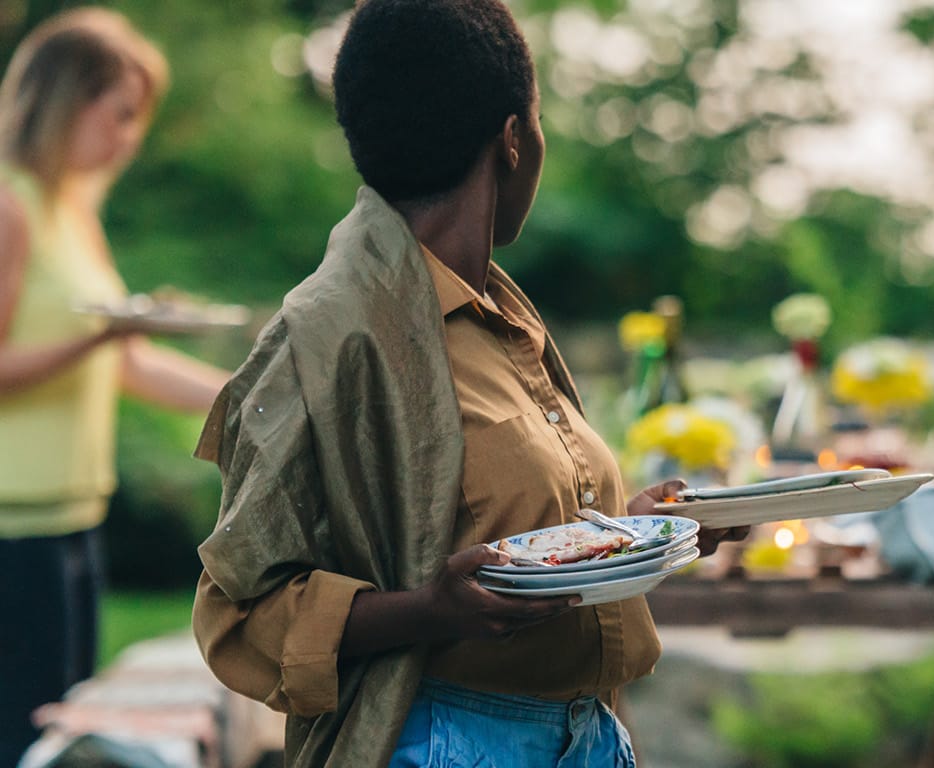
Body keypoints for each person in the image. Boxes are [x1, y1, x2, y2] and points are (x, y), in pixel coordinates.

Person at [189, 0, 749, 765]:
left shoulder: (498, 317)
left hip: (582, 736)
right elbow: (238, 610)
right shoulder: (329, 337)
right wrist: (428, 612)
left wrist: (637, 530)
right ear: (514, 140)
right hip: (442, 742)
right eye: (539, 121)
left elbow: (504, 533)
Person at [0, 8, 230, 765]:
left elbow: (123, 364)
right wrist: (100, 334)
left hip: (71, 519)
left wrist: (243, 391)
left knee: (64, 735)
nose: (132, 136)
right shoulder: (10, 205)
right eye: (122, 114)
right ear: (68, 98)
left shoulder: (74, 211)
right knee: (24, 741)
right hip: (12, 531)